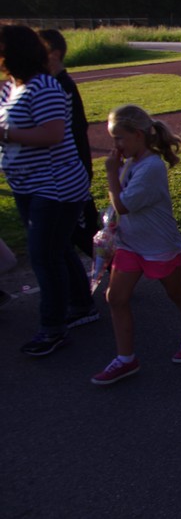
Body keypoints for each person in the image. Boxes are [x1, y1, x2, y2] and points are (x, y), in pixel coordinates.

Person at [90, 105, 181, 384]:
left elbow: (123, 204)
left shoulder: (151, 167)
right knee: (115, 297)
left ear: (137, 135)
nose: (115, 145)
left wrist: (111, 173)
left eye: (119, 138)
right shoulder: (131, 162)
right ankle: (126, 359)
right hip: (130, 243)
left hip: (158, 245)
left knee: (176, 292)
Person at [0, 25, 94, 356]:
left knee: (44, 256)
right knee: (58, 248)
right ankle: (81, 303)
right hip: (28, 185)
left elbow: (53, 134)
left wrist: (6, 134)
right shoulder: (11, 87)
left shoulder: (45, 87)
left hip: (55, 186)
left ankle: (53, 328)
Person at [39, 29, 99, 261]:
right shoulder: (54, 85)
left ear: (53, 55)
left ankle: (121, 272)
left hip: (70, 173)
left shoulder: (61, 87)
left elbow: (71, 134)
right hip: (64, 174)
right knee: (64, 238)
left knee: (84, 234)